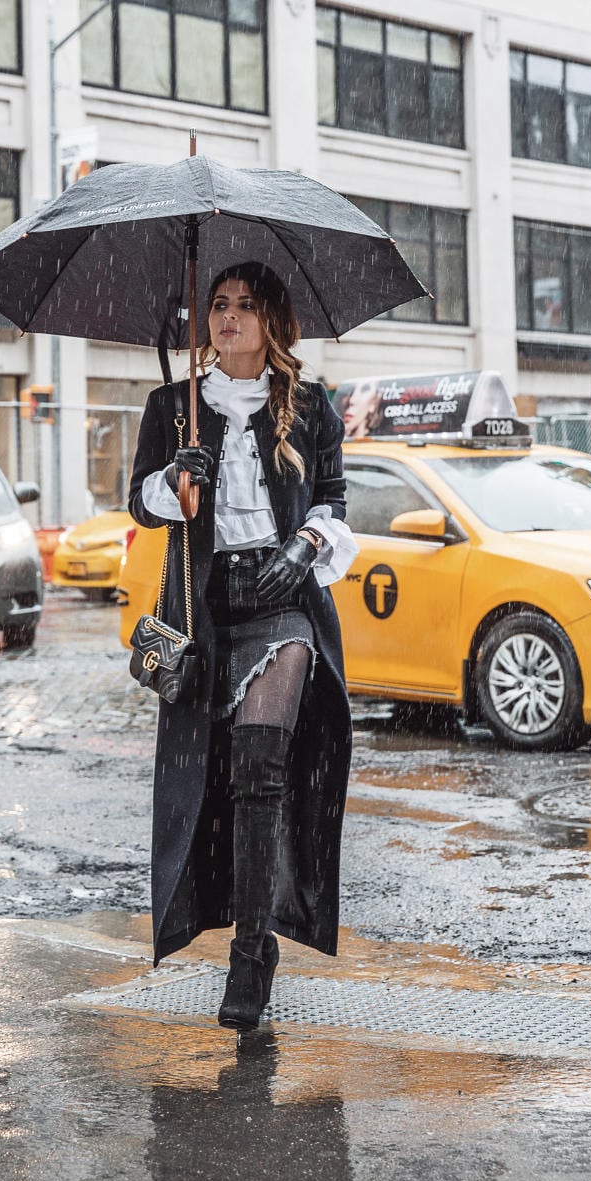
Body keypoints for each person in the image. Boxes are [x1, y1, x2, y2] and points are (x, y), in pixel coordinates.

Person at [129, 262, 357, 1030]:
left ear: (272, 323)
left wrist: (305, 544)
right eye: (218, 306)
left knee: (262, 766)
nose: (227, 318)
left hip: (282, 602)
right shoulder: (173, 405)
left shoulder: (311, 405)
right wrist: (174, 476)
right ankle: (216, 918)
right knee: (207, 785)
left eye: (245, 307)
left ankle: (252, 955)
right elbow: (140, 502)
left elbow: (334, 499)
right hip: (201, 607)